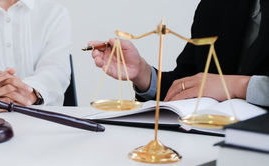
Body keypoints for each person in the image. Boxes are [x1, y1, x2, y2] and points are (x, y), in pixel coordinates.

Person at [90, 0, 269, 107]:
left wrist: (240, 87)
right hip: (207, 146)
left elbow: (218, 85)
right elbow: (191, 83)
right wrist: (144, 75)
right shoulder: (216, 6)